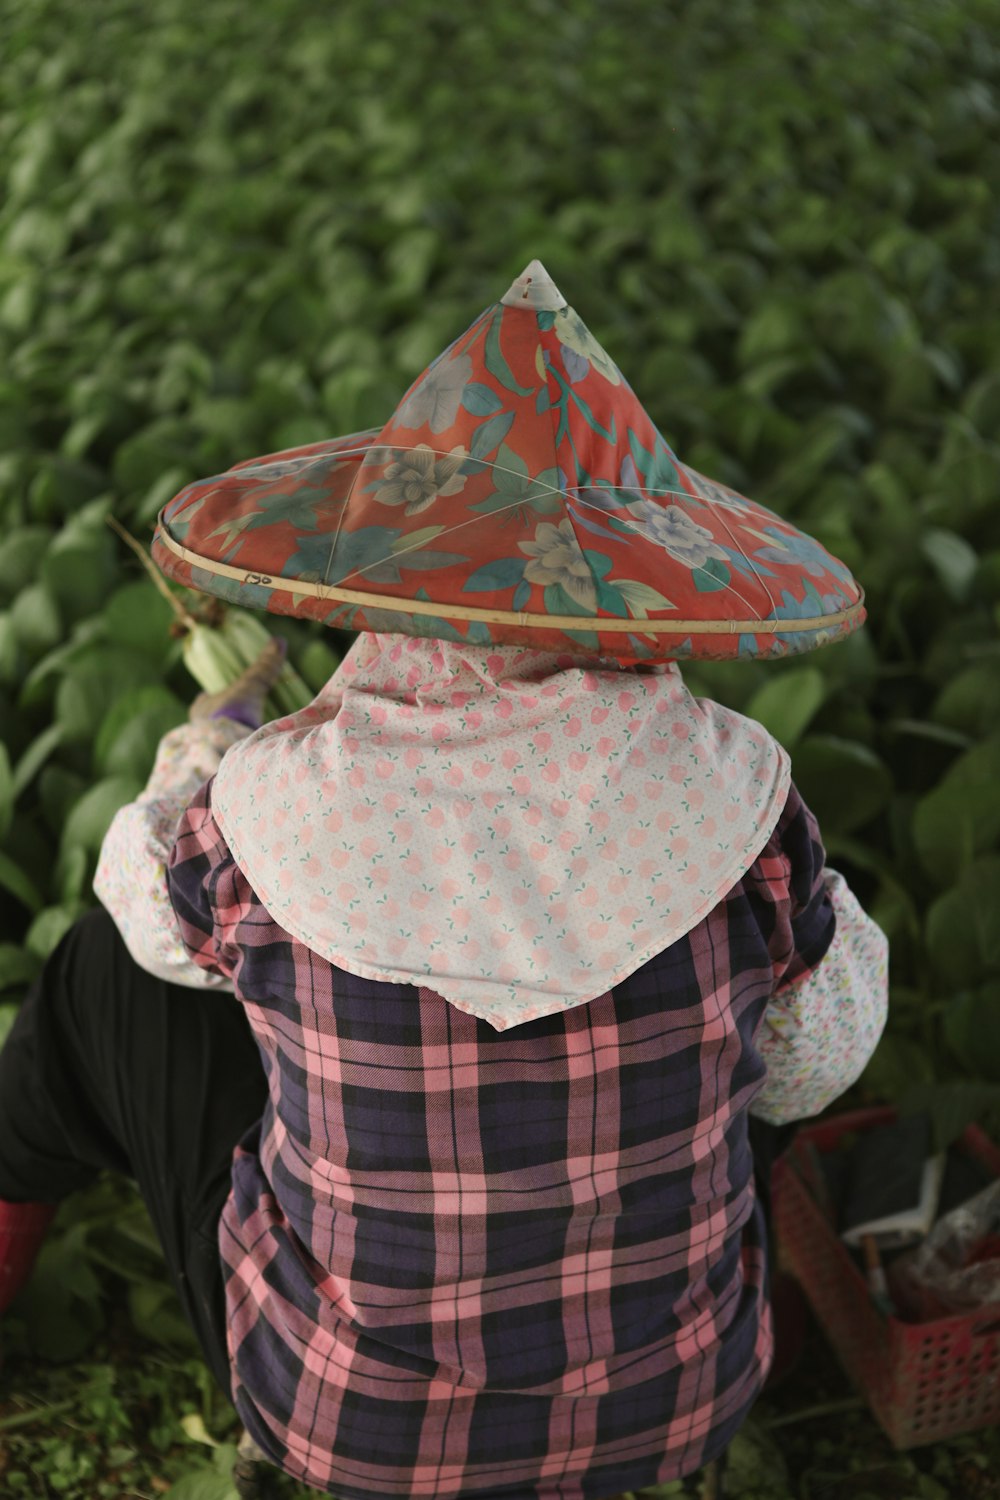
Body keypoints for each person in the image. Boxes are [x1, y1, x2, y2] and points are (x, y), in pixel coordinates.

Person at [0, 262, 888, 1498]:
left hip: (350, 1426)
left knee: (107, 966)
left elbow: (141, 905)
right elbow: (812, 1063)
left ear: (397, 579)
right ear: (634, 594)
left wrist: (199, 746)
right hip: (673, 1410)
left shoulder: (268, 806)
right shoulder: (738, 800)